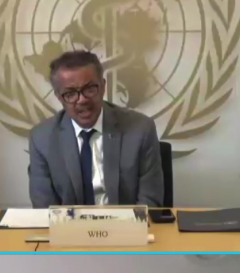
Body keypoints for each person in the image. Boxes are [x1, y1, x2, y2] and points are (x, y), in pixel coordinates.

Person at [28, 51, 164, 208]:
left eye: (90, 89)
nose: (82, 100)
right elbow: (44, 207)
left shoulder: (141, 129)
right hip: (68, 223)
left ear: (103, 86)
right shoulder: (41, 138)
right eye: (70, 94)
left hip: (127, 222)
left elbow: (150, 202)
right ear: (59, 97)